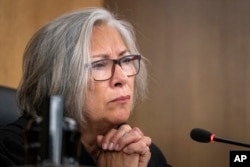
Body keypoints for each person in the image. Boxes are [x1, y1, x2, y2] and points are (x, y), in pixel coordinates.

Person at [0, 8, 170, 166]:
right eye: (99, 65)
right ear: (59, 79)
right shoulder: (14, 151)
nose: (122, 78)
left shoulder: (142, 152)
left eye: (125, 60)